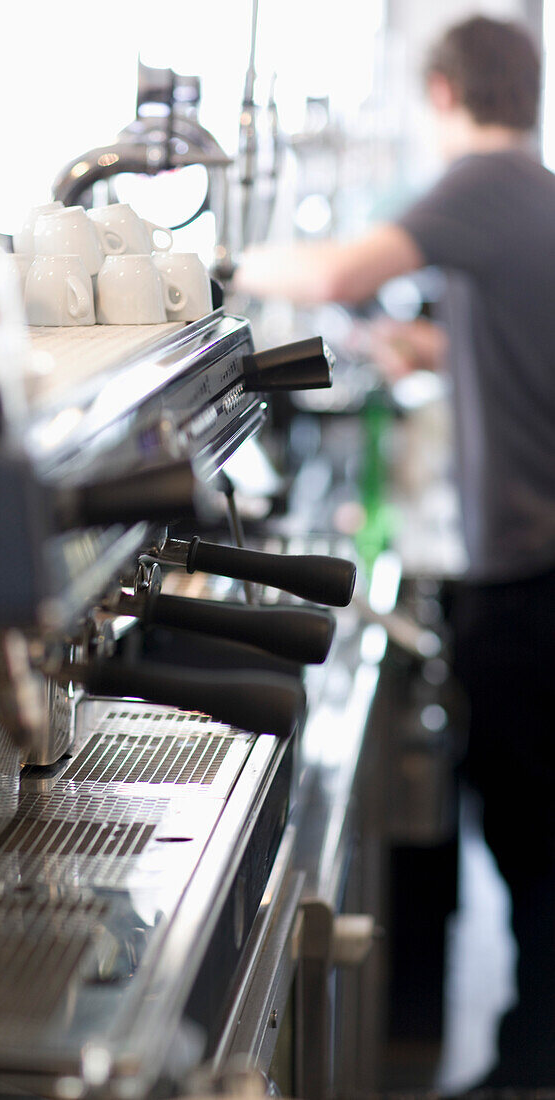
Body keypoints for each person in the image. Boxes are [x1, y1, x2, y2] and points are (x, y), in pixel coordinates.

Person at [235, 15, 555, 1088]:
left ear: (442, 93)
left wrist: (218, 258)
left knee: (528, 828)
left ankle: (530, 1056)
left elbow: (331, 274)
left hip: (530, 576)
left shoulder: (483, 181)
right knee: (524, 819)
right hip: (527, 562)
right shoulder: (527, 191)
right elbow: (495, 337)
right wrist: (408, 343)